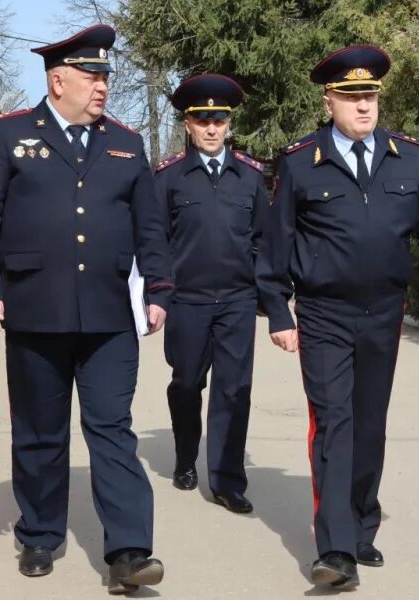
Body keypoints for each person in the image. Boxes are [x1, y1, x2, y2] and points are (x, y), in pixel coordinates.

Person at [0, 24, 174, 595]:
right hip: (34, 308)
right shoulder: (8, 135)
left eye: (105, 75)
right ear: (58, 80)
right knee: (39, 429)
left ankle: (129, 550)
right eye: (90, 75)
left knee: (111, 428)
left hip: (109, 315)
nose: (102, 85)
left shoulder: (126, 142)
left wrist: (158, 291)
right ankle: (39, 531)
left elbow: (149, 227)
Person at [256, 45, 419, 590]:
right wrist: (279, 310)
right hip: (324, 313)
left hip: (383, 314)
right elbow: (276, 244)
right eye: (351, 97)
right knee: (334, 423)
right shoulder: (302, 162)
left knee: (370, 423)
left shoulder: (408, 159)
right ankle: (336, 547)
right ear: (329, 101)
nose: (364, 106)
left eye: (370, 95)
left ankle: (362, 526)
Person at [154, 74, 268, 513]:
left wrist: (259, 287)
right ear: (188, 124)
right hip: (187, 301)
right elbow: (155, 240)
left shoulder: (250, 178)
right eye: (203, 119)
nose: (212, 128)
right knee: (186, 382)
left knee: (234, 390)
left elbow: (263, 237)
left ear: (229, 124)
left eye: (219, 119)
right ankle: (186, 455)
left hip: (237, 302)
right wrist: (159, 294)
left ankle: (226, 481)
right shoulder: (168, 178)